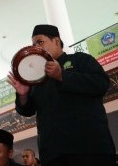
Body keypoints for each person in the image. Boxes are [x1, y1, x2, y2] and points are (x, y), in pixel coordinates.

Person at [7, 24, 116, 166]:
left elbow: (101, 84)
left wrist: (62, 76)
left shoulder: (80, 60)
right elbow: (28, 111)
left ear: (56, 41)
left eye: (40, 42)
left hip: (90, 149)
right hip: (53, 154)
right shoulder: (38, 79)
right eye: (33, 44)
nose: (36, 48)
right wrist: (23, 95)